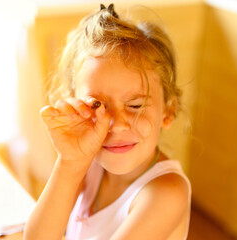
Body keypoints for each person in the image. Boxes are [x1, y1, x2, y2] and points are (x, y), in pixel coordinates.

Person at [23, 3, 191, 240]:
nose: (117, 125)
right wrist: (70, 163)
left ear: (168, 111)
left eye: (135, 106)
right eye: (96, 105)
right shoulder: (88, 163)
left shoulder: (166, 194)